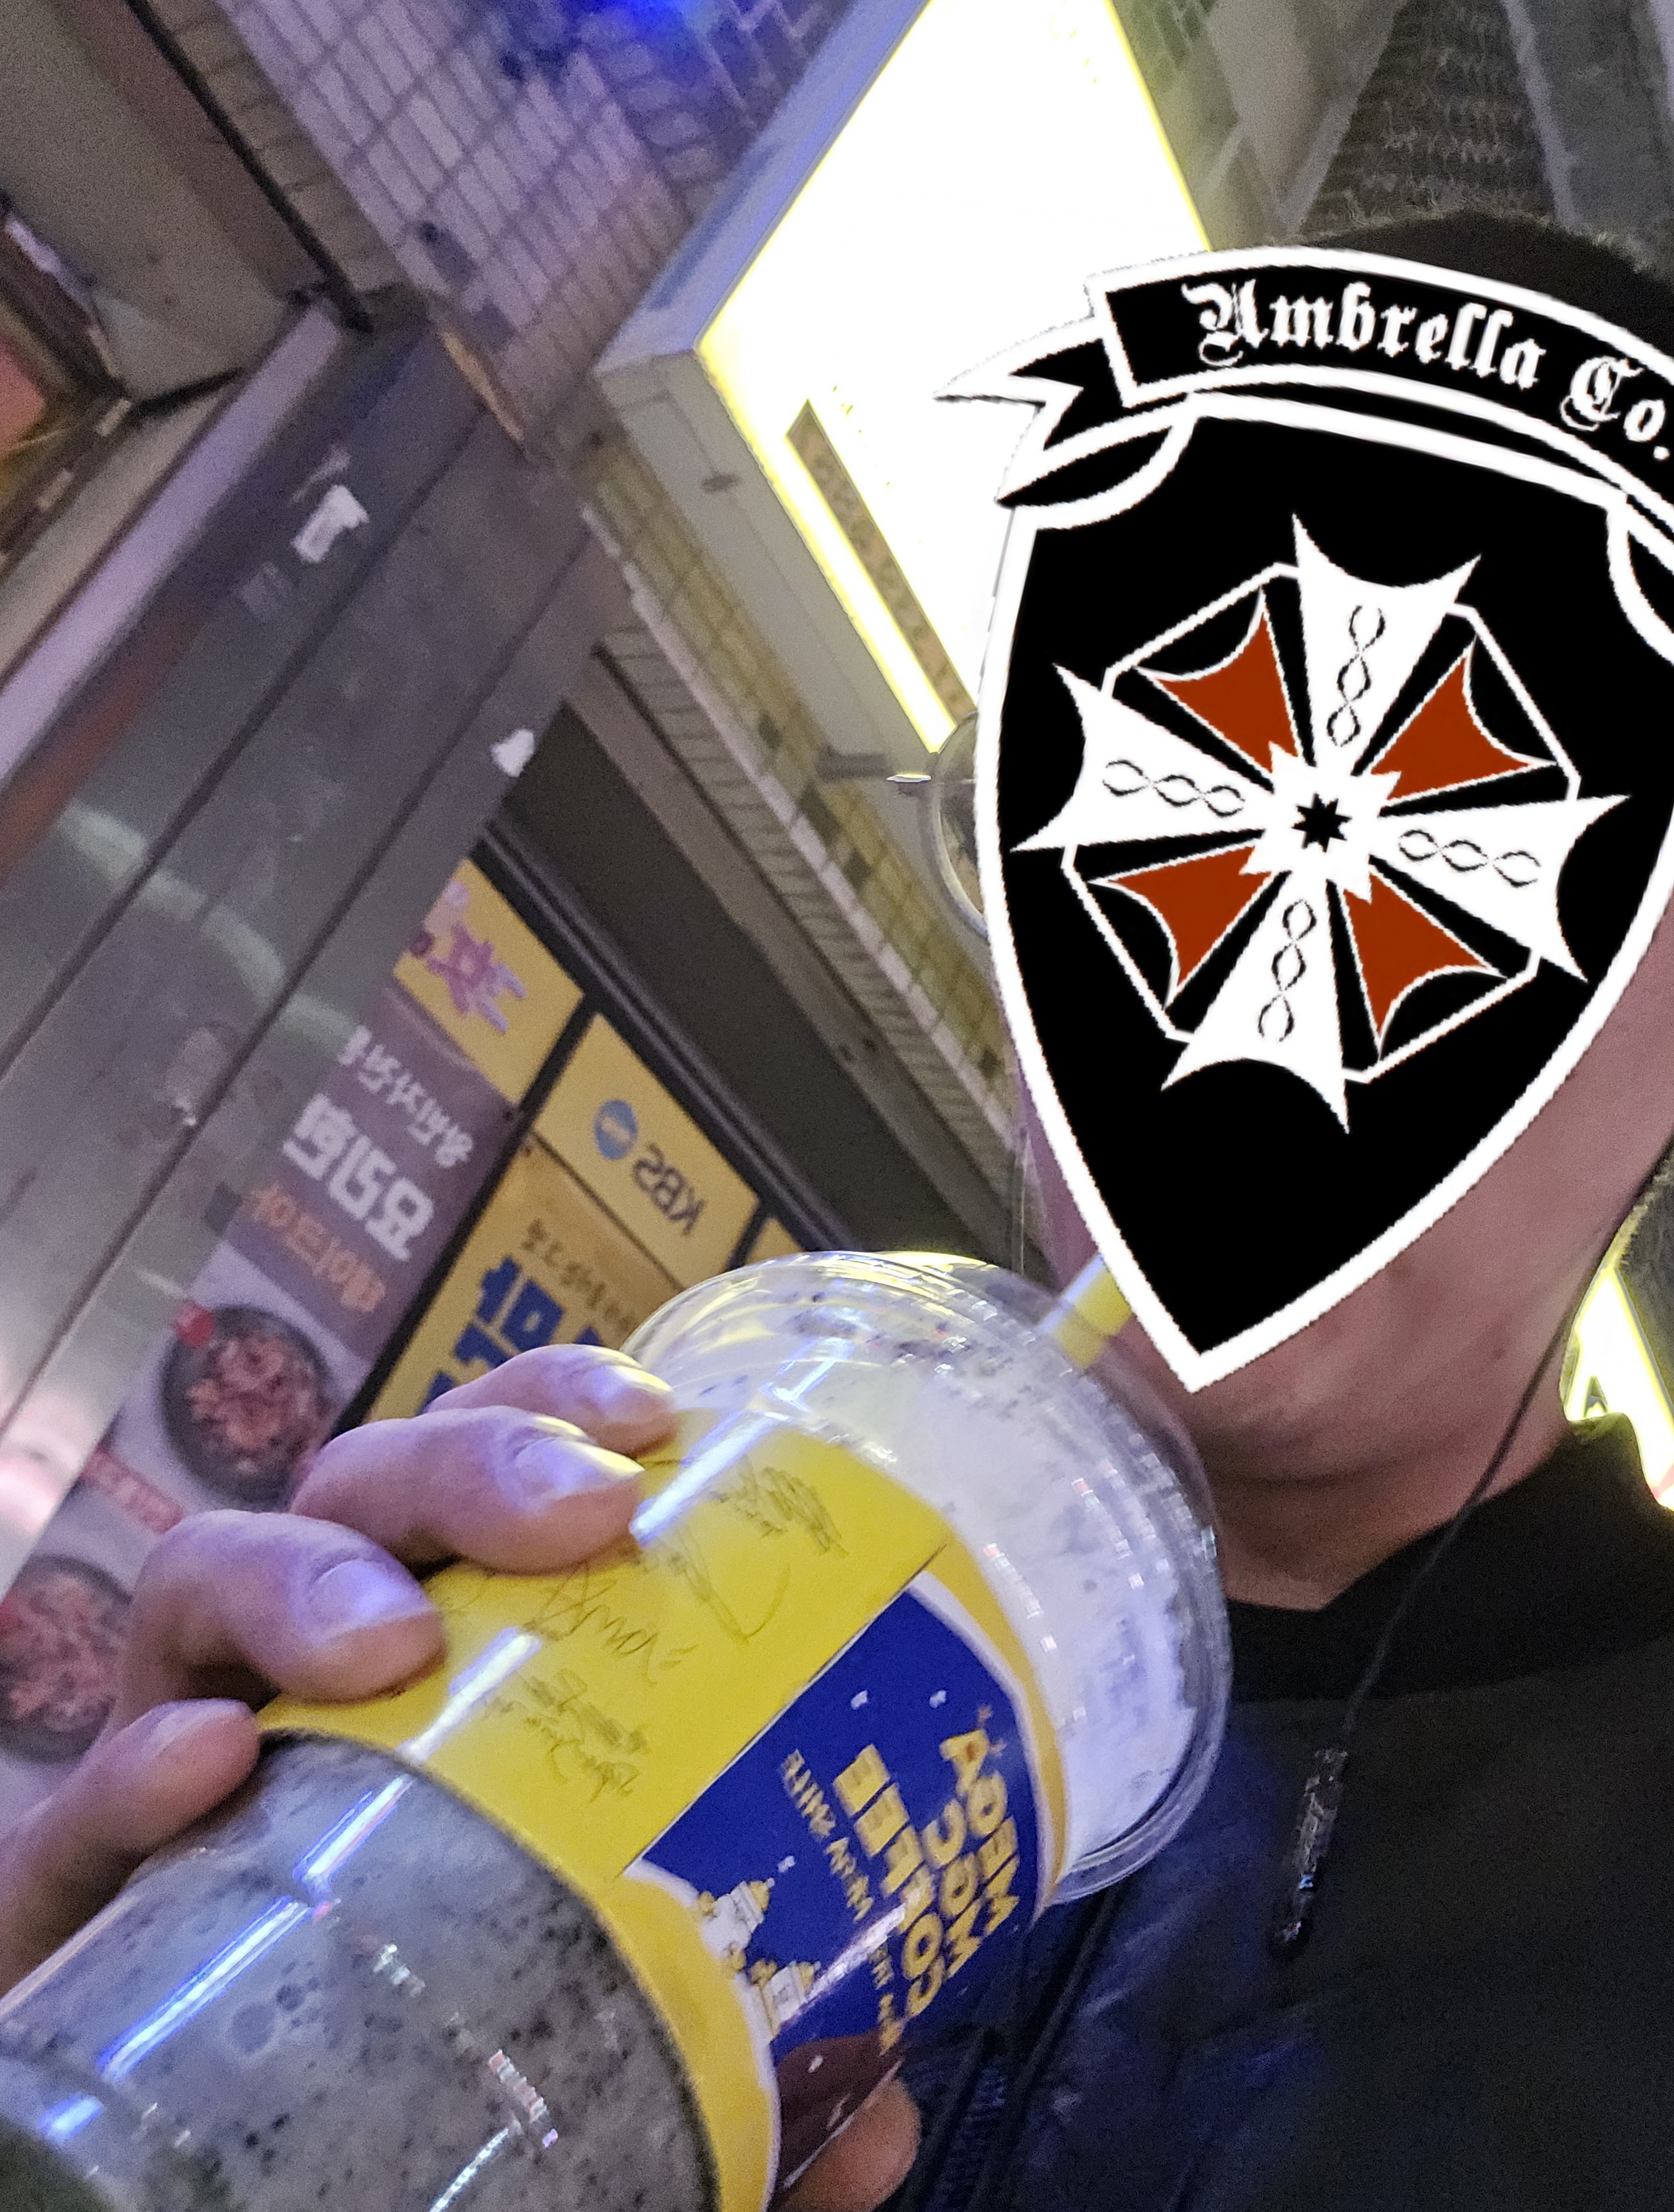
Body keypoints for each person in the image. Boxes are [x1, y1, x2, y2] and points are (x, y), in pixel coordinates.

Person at [8, 213, 1674, 2209]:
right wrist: (141, 1991)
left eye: (1462, 859)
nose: (1263, 977)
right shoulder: (663, 1519)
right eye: (1177, 787)